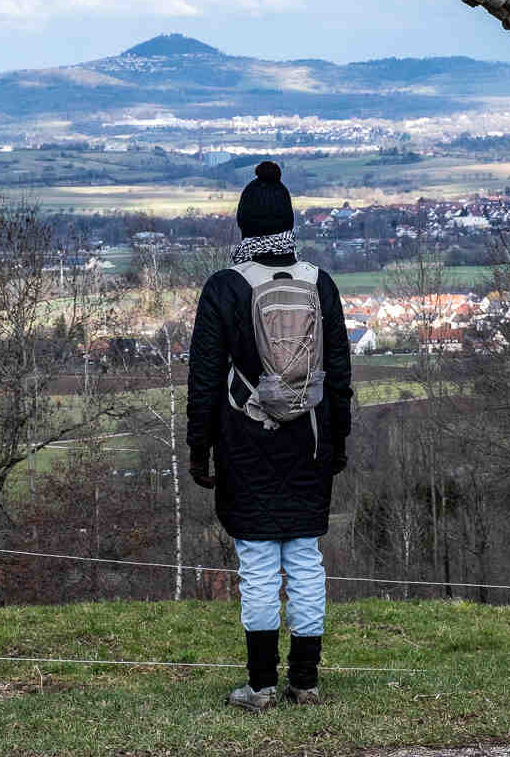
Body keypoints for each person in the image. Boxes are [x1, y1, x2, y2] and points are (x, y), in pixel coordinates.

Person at [187, 160, 353, 712]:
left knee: (257, 563)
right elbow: (340, 374)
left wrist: (198, 446)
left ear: (243, 226)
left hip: (244, 441)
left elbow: (205, 378)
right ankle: (305, 682)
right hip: (308, 440)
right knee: (305, 560)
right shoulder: (319, 283)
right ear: (289, 222)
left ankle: (260, 686)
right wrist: (337, 441)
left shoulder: (225, 287)